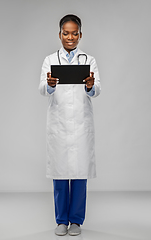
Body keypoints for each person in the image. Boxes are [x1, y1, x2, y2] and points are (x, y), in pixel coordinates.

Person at [39, 14, 101, 236]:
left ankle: (76, 220)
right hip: (59, 124)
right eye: (66, 33)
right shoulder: (50, 59)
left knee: (79, 174)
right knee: (60, 174)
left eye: (75, 33)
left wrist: (91, 85)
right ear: (60, 35)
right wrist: (49, 84)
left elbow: (97, 90)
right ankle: (61, 221)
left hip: (81, 125)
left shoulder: (88, 60)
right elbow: (41, 89)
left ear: (80, 35)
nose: (70, 37)